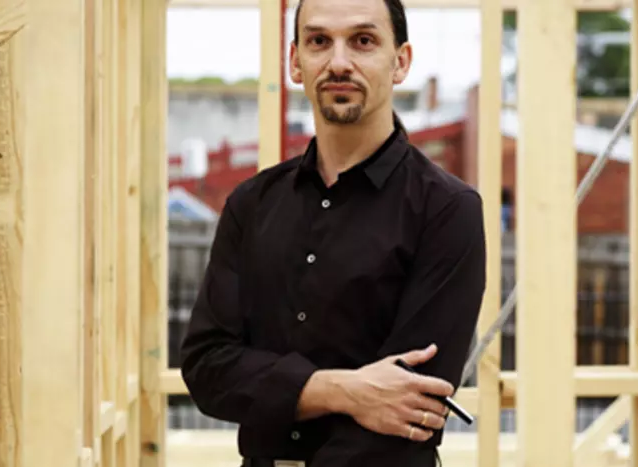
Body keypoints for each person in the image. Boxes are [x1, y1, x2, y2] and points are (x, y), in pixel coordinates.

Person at [178, 0, 487, 465]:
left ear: (400, 62)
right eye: (319, 41)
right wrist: (344, 390)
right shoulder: (251, 204)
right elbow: (208, 369)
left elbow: (411, 405)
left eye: (363, 41)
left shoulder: (447, 210)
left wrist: (281, 389)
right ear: (295, 62)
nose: (339, 62)